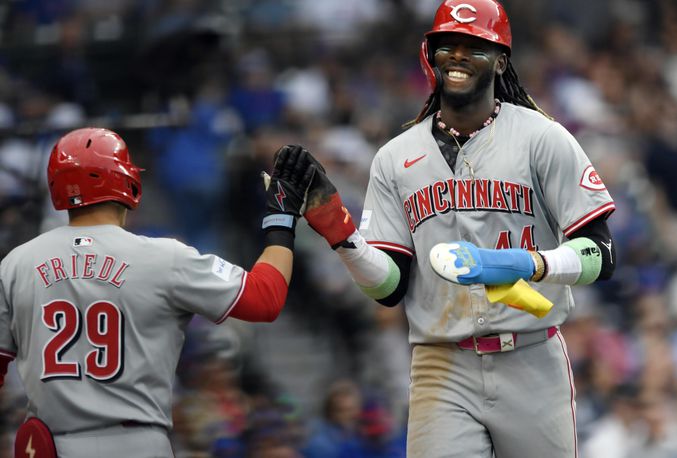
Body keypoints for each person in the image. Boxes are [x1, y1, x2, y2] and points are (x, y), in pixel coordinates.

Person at [290, 0, 617, 456]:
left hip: (531, 355)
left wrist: (528, 263)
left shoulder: (543, 138)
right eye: (448, 44)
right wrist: (340, 234)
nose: (458, 55)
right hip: (442, 363)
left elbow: (601, 254)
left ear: (501, 59)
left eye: (473, 45)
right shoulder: (395, 157)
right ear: (431, 53)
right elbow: (389, 285)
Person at [0, 127, 316, 457]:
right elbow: (264, 299)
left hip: (49, 444)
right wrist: (282, 218)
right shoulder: (163, 256)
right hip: (135, 443)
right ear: (125, 182)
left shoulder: (16, 263)